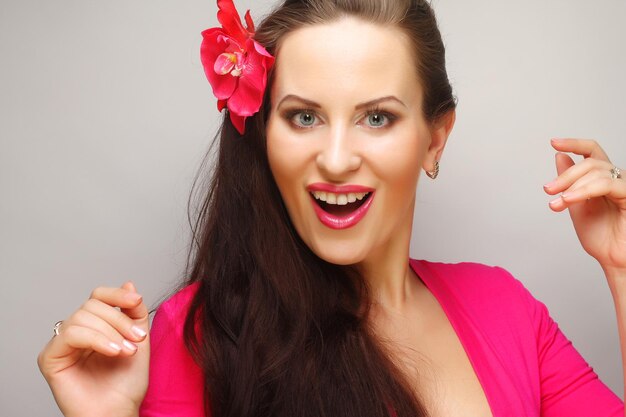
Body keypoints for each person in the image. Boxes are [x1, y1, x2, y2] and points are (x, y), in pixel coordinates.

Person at [37, 0, 626, 416]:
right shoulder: (200, 337)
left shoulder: (507, 310)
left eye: (377, 117)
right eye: (304, 117)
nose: (337, 159)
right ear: (264, 132)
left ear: (434, 138)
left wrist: (622, 268)